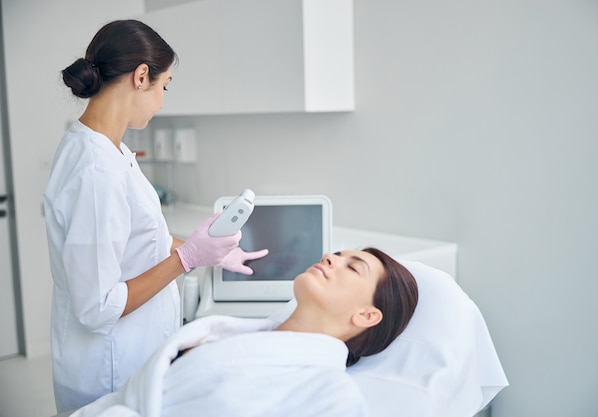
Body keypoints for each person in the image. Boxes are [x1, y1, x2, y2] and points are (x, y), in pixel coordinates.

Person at [44, 19, 267, 413]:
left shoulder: (106, 151)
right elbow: (98, 307)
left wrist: (208, 251)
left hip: (127, 362)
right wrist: (187, 259)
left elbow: (139, 241)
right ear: (141, 77)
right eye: (163, 86)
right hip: (110, 372)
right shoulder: (97, 171)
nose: (162, 100)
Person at [69, 247, 419, 417]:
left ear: (367, 315)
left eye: (351, 266)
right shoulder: (228, 333)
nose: (331, 257)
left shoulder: (333, 396)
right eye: (338, 254)